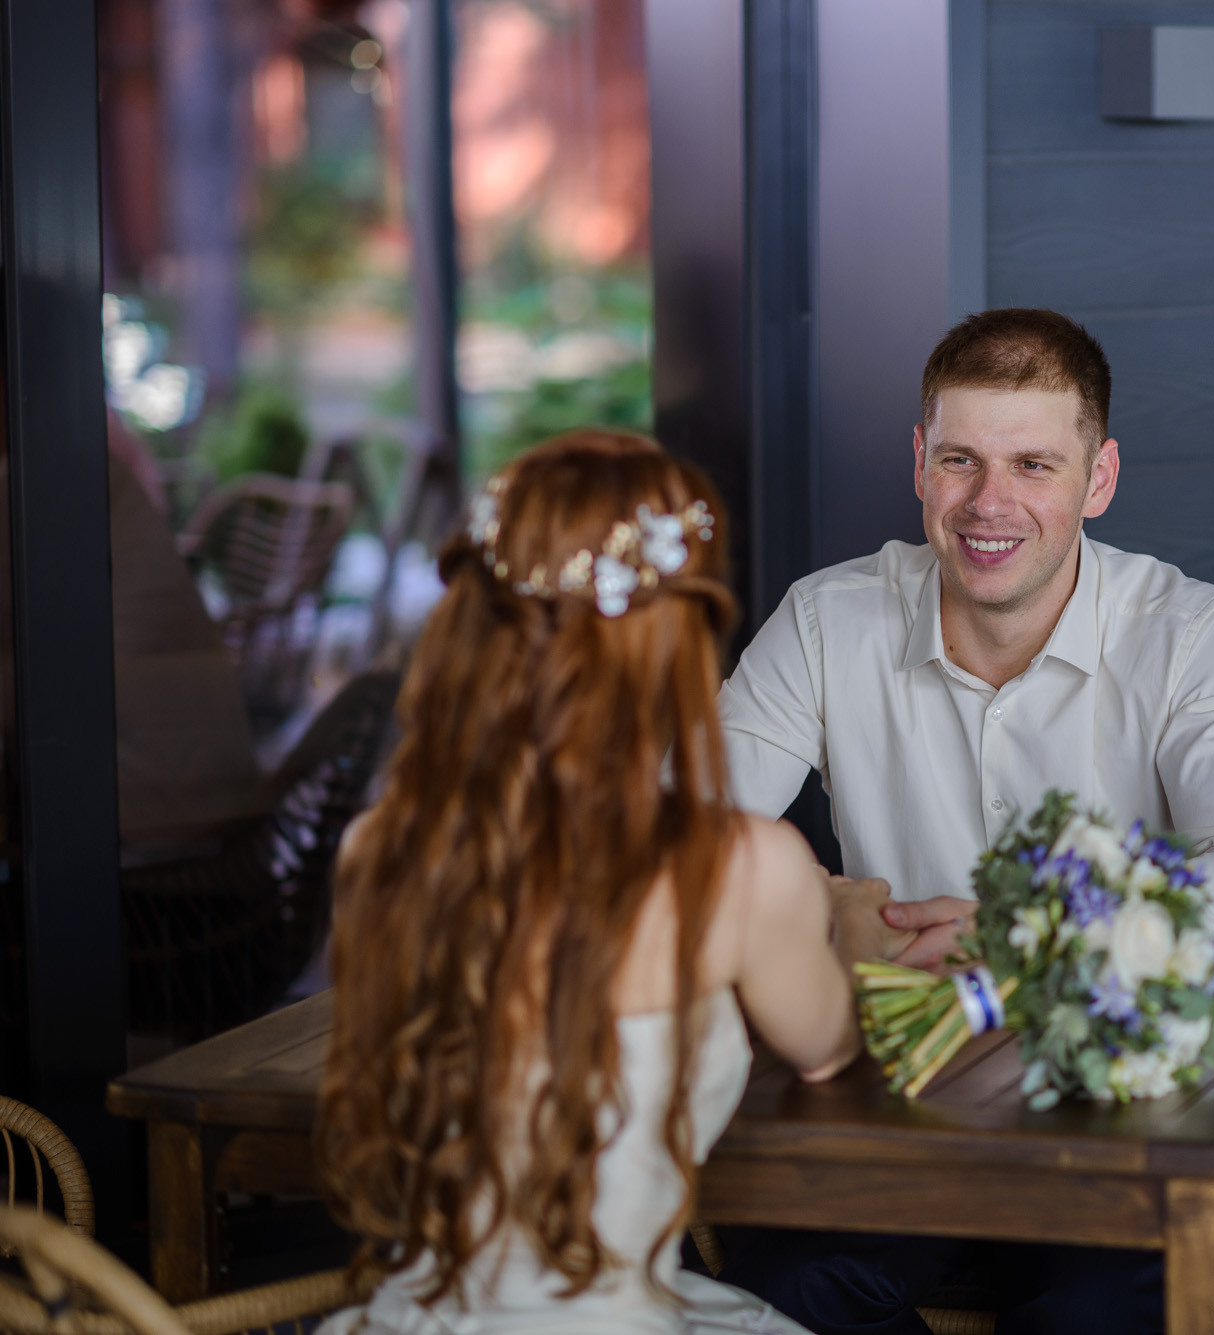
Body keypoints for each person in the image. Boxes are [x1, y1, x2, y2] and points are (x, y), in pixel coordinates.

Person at [715, 308, 1214, 1334]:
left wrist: (1020, 940)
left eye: (1034, 464)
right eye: (960, 459)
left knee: (1101, 1316)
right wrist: (822, 913)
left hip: (1124, 1116)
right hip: (893, 1110)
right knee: (780, 1292)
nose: (989, 503)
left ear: (1099, 478)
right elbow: (678, 851)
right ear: (917, 463)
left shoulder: (1187, 632)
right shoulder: (826, 620)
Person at [315, 430, 907, 1334]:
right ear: (676, 644)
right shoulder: (738, 868)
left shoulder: (380, 851)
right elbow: (828, 1051)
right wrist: (848, 930)